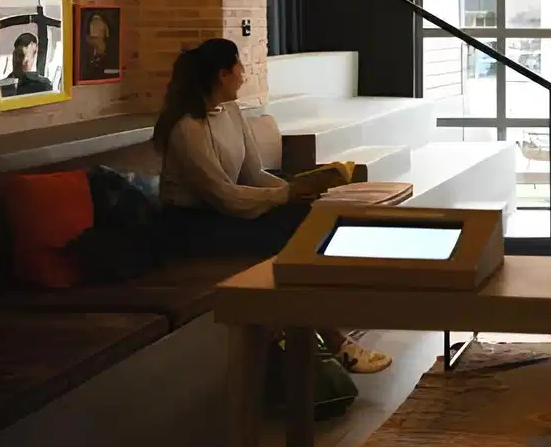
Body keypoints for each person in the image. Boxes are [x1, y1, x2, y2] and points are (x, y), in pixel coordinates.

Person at [155, 38, 392, 374]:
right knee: (287, 243)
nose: (244, 75)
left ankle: (323, 322)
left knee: (310, 220)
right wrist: (286, 195)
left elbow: (253, 174)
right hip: (192, 224)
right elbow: (223, 195)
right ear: (222, 75)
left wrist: (300, 193)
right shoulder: (187, 128)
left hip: (226, 210)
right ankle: (333, 339)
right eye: (239, 67)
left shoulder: (232, 112)